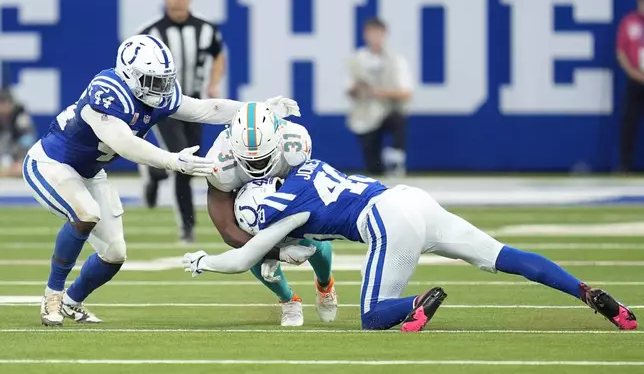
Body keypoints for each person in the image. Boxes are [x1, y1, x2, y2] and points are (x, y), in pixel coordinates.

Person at [24, 34, 300, 327]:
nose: (161, 87)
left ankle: (71, 301)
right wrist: (173, 161)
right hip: (51, 163)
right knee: (85, 214)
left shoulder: (156, 93)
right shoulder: (107, 93)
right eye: (152, 80)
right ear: (129, 75)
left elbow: (205, 109)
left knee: (115, 254)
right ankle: (53, 295)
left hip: (90, 172)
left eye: (164, 79)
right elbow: (124, 143)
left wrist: (259, 111)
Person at [184, 159, 638, 331]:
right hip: (412, 198)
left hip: (388, 222)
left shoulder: (277, 212)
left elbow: (243, 256)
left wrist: (204, 261)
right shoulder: (303, 167)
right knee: (503, 256)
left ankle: (418, 302)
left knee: (372, 316)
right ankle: (584, 291)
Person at [203, 103, 338, 326]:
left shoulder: (295, 143)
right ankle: (288, 300)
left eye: (263, 158)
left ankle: (325, 284)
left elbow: (307, 199)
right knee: (249, 233)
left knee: (313, 232)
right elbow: (228, 231)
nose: (257, 164)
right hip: (247, 201)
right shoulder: (219, 161)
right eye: (250, 160)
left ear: (277, 142)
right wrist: (276, 253)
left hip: (287, 191)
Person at [138, 0, 227, 242]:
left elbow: (218, 54)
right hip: (163, 105)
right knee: (182, 161)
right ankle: (187, 226)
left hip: (194, 104)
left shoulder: (205, 29)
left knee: (191, 160)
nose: (177, 1)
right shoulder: (151, 33)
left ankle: (155, 172)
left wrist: (214, 82)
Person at [347, 18, 412, 176]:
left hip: (388, 110)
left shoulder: (396, 60)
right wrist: (359, 88)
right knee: (374, 167)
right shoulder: (357, 59)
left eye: (378, 33)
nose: (375, 37)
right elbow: (349, 90)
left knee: (398, 119)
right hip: (365, 116)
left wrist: (380, 93)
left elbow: (406, 92)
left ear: (384, 34)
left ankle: (396, 158)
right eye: (371, 33)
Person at [617, 0, 644, 172]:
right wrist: (633, 73)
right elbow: (621, 51)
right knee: (630, 123)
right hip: (635, 79)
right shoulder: (629, 22)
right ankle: (625, 165)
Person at [0, 88, 35, 177]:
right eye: (1, 104)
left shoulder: (21, 117)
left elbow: (28, 140)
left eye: (6, 103)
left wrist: (19, 160)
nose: (4, 107)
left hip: (18, 159)